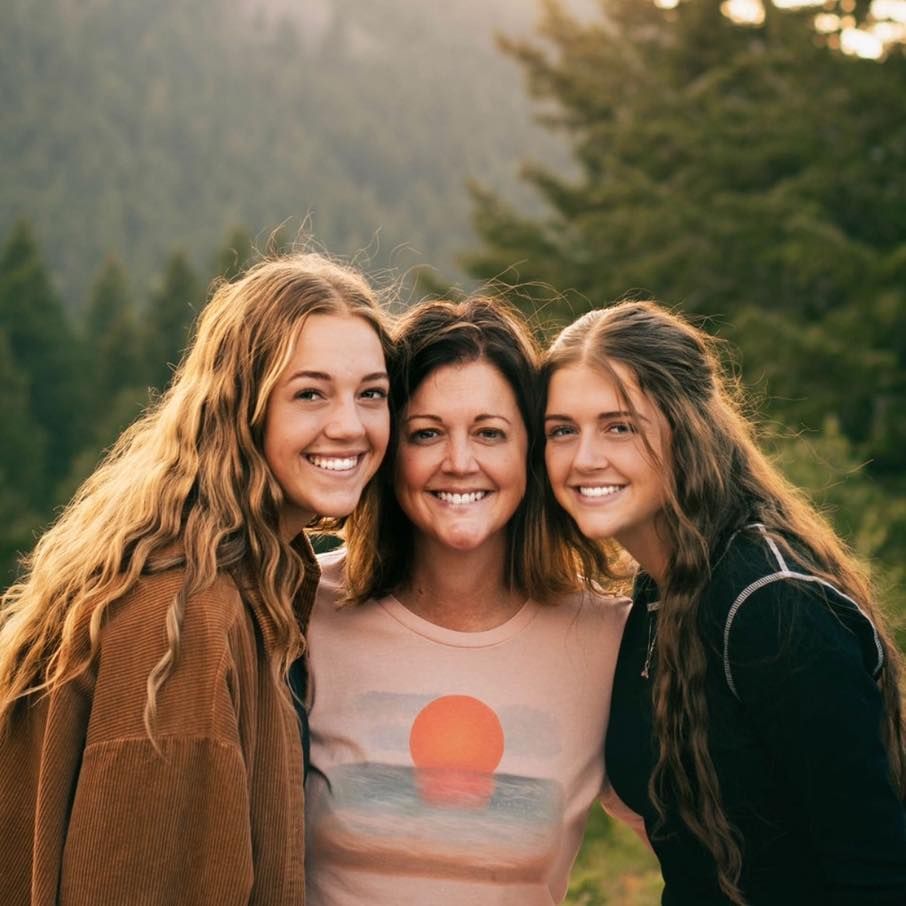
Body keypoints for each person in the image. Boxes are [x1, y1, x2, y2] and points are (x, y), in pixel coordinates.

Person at [0, 253, 393, 905]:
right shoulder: (184, 623)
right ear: (241, 406)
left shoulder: (234, 572)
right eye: (309, 393)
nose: (349, 424)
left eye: (371, 393)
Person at [542, 299, 906, 905]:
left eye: (620, 426)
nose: (585, 458)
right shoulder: (661, 592)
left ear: (688, 428)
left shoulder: (771, 604)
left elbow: (877, 874)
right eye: (562, 431)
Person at [303, 297, 629, 906]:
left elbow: (710, 845)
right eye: (426, 434)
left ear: (529, 455)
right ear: (388, 452)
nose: (459, 462)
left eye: (489, 433)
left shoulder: (609, 639)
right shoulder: (303, 610)